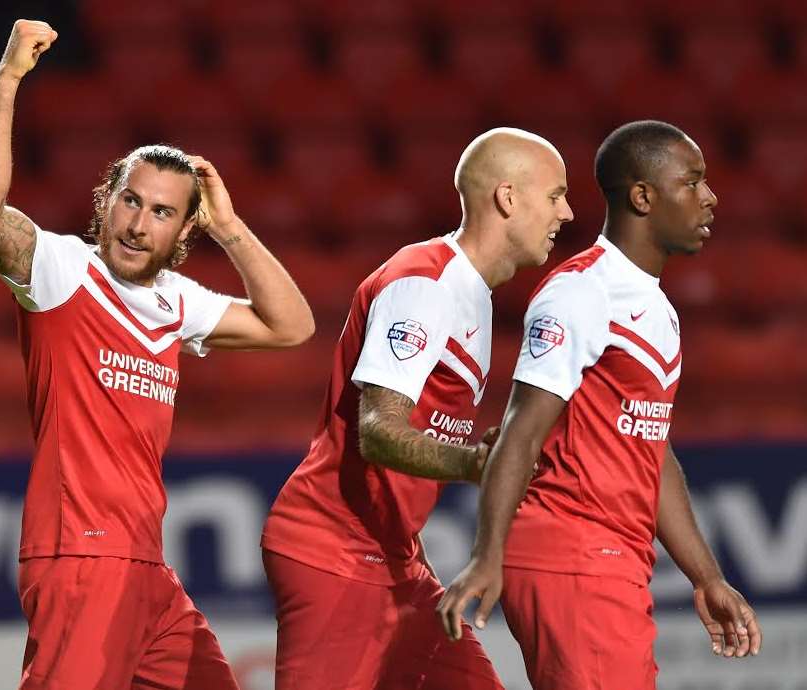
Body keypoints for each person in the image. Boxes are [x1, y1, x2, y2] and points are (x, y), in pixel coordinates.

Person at [0, 20, 314, 690]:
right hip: (80, 555)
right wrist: (7, 78)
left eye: (160, 212)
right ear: (105, 201)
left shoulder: (178, 301)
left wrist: (231, 228)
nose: (136, 222)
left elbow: (290, 326)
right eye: (129, 200)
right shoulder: (61, 270)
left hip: (147, 568)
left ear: (185, 229)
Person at [436, 120, 762, 689]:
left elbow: (648, 447)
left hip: (611, 563)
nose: (709, 198)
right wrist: (488, 553)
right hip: (573, 556)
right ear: (643, 196)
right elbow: (520, 431)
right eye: (691, 182)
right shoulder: (580, 293)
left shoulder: (655, 308)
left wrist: (707, 577)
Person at [261, 127, 574, 689]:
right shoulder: (427, 284)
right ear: (508, 197)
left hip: (394, 562)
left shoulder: (470, 292)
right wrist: (478, 464)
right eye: (555, 195)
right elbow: (377, 432)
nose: (568, 212)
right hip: (335, 552)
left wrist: (416, 556)